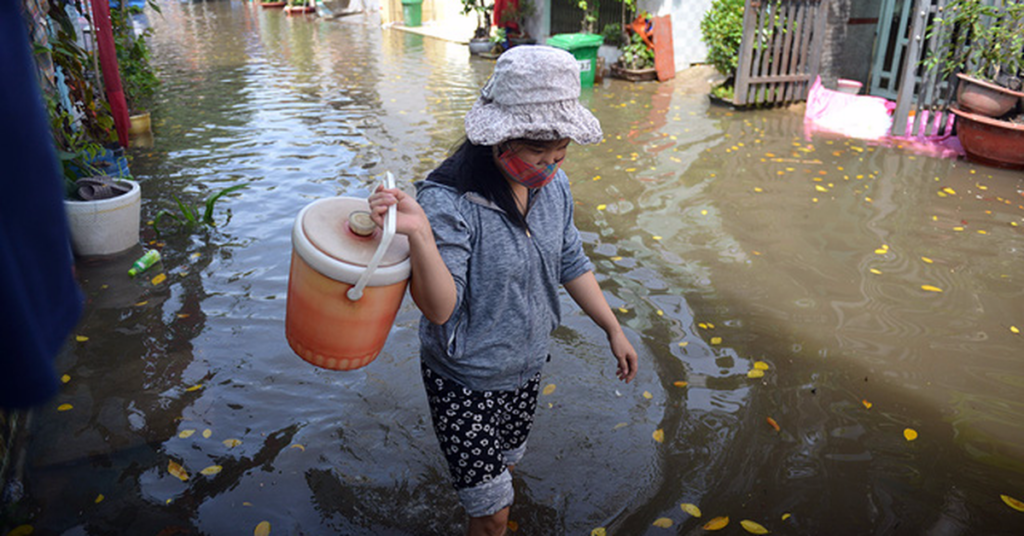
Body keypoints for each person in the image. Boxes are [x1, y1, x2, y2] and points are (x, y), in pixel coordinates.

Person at [368, 45, 638, 536]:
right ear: (500, 141)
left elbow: (570, 261)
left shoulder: (553, 187)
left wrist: (612, 328)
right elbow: (439, 307)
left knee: (505, 476)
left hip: (527, 367)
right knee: (492, 518)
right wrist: (422, 235)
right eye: (539, 154)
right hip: (464, 381)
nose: (550, 166)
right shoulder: (448, 201)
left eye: (560, 154)